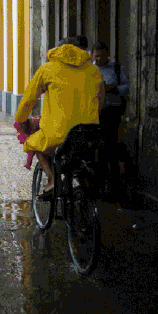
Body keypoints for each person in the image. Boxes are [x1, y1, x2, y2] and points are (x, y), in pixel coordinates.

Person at [14, 37, 104, 196]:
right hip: (89, 134)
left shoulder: (47, 69)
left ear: (58, 50)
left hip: (57, 136)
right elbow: (100, 100)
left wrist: (21, 120)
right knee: (82, 155)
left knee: (36, 144)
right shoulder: (94, 71)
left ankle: (52, 180)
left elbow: (28, 100)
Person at [91, 41, 130, 172]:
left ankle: (114, 168)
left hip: (113, 110)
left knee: (112, 141)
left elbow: (127, 86)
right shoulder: (90, 70)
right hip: (95, 111)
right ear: (92, 55)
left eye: (101, 56)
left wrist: (113, 88)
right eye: (96, 56)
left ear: (107, 55)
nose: (98, 59)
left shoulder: (117, 69)